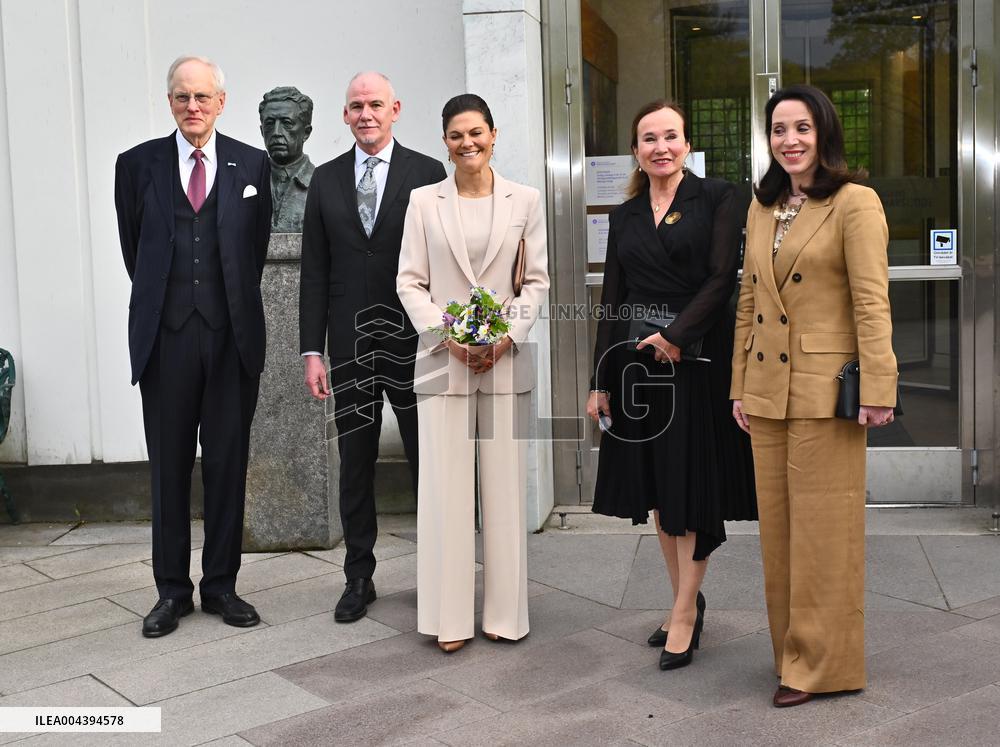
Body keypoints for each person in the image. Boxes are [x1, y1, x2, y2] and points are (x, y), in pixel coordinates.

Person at [731, 84, 898, 707]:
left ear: (823, 133)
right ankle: (790, 656)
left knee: (824, 534)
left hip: (829, 391)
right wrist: (739, 386)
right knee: (779, 535)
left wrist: (878, 384)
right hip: (768, 389)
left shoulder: (855, 203)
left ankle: (823, 666)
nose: (790, 140)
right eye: (778, 130)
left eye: (801, 128)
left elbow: (871, 301)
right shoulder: (763, 205)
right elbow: (747, 300)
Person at [586, 100, 756, 670]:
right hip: (637, 366)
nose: (660, 147)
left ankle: (684, 612)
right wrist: (599, 382)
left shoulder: (718, 197)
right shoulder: (624, 215)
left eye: (670, 136)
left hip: (696, 363)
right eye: (648, 139)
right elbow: (612, 299)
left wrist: (677, 335)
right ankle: (685, 597)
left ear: (687, 144)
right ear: (636, 150)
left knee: (691, 488)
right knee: (660, 490)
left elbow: (721, 279)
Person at [114, 56, 272, 637]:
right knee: (170, 470)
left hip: (232, 340)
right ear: (170, 102)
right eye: (182, 96)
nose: (193, 106)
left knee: (228, 467)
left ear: (222, 102)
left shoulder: (252, 164)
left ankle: (222, 587)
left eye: (203, 96)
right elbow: (138, 251)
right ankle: (171, 592)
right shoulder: (136, 166)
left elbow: (251, 251)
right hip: (167, 339)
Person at [397, 94, 549, 653]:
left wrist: (508, 334)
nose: (469, 143)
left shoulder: (525, 200)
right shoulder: (422, 202)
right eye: (457, 134)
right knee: (445, 493)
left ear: (494, 134)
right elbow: (409, 281)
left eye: (477, 132)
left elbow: (535, 281)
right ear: (445, 141)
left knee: (506, 493)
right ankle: (449, 618)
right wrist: (449, 336)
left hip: (506, 361)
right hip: (443, 364)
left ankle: (506, 615)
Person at [299, 72, 446, 623]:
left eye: (375, 105)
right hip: (349, 345)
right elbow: (314, 270)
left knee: (426, 462)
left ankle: (438, 572)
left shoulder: (427, 173)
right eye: (356, 106)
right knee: (355, 464)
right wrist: (311, 350)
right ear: (345, 115)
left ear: (395, 109)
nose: (366, 114)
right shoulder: (328, 180)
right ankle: (358, 576)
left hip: (415, 343)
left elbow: (445, 260)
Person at [259, 86, 315, 232]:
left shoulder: (323, 185)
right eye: (270, 124)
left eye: (287, 123)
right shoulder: (249, 182)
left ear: (306, 132)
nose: (276, 132)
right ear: (261, 131)